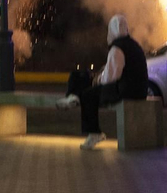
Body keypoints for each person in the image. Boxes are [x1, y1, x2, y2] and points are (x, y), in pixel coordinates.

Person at [60, 13, 148, 149]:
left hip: (126, 91)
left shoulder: (117, 48)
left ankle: (94, 132)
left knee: (88, 94)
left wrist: (97, 79)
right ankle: (73, 96)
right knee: (80, 77)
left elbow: (111, 77)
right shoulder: (133, 44)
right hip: (137, 90)